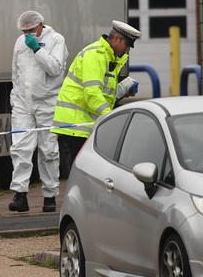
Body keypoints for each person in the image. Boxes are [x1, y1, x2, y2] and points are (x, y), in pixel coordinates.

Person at [52, 20, 141, 173]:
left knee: (89, 171)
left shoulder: (111, 57)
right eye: (127, 45)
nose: (127, 51)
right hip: (76, 124)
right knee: (85, 172)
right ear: (117, 39)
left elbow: (104, 93)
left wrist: (123, 89)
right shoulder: (95, 55)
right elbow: (92, 93)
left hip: (86, 122)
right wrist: (112, 118)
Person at [8, 11, 68, 213]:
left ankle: (50, 196)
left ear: (41, 25)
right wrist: (16, 99)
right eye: (24, 31)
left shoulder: (56, 40)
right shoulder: (20, 42)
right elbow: (16, 73)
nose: (28, 35)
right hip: (23, 104)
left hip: (48, 103)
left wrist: (37, 50)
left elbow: (54, 68)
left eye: (31, 30)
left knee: (48, 150)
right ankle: (20, 195)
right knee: (20, 148)